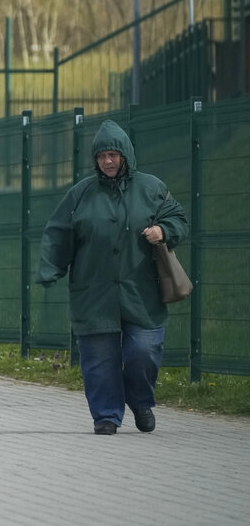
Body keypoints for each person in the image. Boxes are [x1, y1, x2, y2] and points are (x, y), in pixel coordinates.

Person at [38, 119, 189, 435]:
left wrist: (164, 230)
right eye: (101, 156)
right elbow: (58, 232)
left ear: (125, 156)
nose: (107, 161)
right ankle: (106, 416)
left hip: (142, 291)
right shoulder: (81, 193)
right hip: (93, 292)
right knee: (98, 357)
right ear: (95, 159)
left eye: (113, 155)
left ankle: (140, 400)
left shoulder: (152, 188)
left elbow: (177, 218)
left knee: (144, 351)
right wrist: (51, 268)